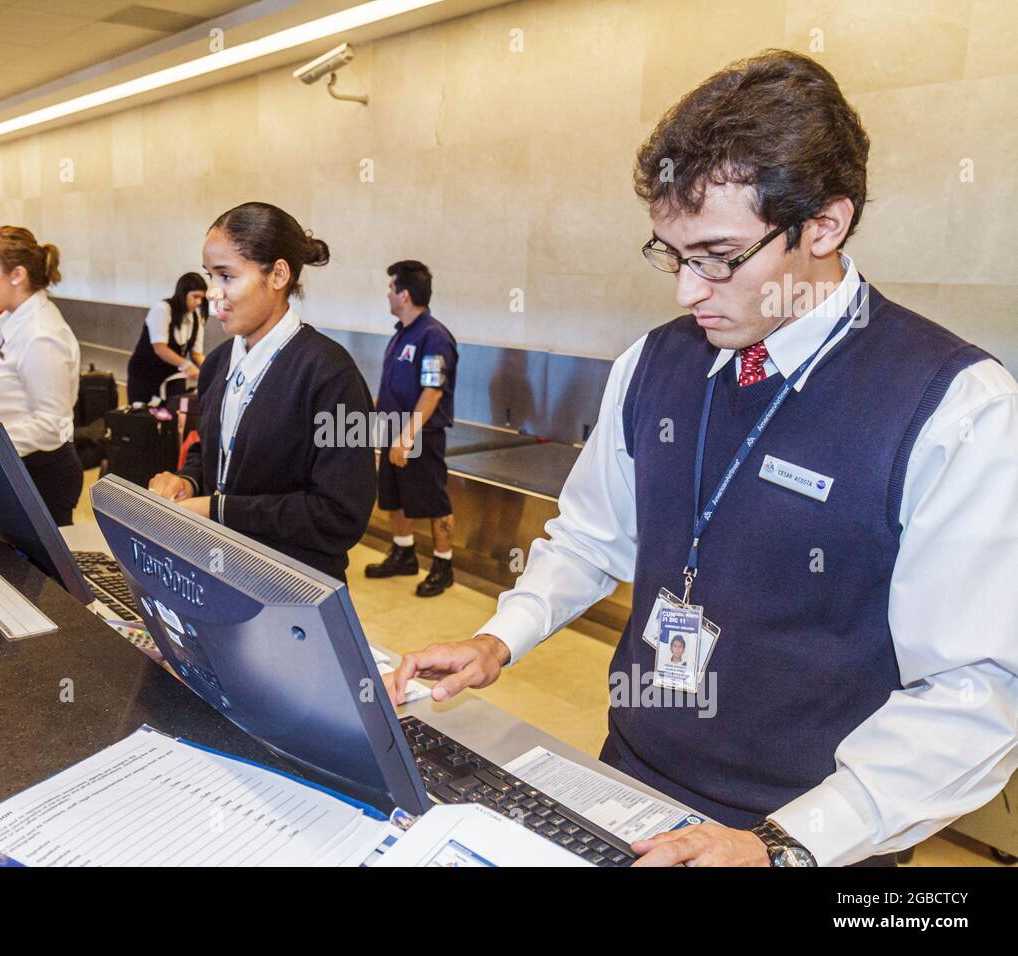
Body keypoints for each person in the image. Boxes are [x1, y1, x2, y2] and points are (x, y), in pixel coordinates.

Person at [390, 51, 1018, 868]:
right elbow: (588, 539)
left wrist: (783, 845)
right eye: (672, 254)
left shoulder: (954, 407)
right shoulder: (653, 364)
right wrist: (497, 638)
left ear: (824, 224)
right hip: (629, 780)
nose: (688, 292)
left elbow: (980, 690)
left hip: (810, 830)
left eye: (718, 256)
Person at [147, 201, 375, 582]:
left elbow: (340, 515)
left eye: (226, 276)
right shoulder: (218, 365)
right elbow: (213, 451)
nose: (212, 293)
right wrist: (186, 481)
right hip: (218, 570)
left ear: (278, 274)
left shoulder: (333, 376)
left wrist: (217, 510)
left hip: (293, 587)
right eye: (209, 277)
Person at [0, 226, 82, 526]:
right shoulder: (10, 319)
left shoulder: (40, 335)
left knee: (37, 573)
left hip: (40, 474)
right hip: (14, 464)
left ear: (17, 274)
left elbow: (52, 426)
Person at [364, 260, 459, 597]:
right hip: (392, 430)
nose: (387, 295)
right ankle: (403, 553)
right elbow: (390, 387)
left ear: (403, 294)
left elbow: (433, 390)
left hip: (421, 436)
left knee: (433, 501)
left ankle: (443, 565)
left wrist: (407, 436)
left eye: (391, 288)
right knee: (395, 497)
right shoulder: (401, 334)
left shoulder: (433, 336)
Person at [127, 272, 206, 405]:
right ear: (183, 293)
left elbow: (196, 354)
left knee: (176, 413)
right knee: (144, 418)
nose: (199, 302)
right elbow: (160, 348)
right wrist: (187, 365)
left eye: (202, 298)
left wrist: (208, 370)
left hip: (172, 376)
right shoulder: (162, 310)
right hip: (145, 374)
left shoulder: (196, 318)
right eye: (195, 296)